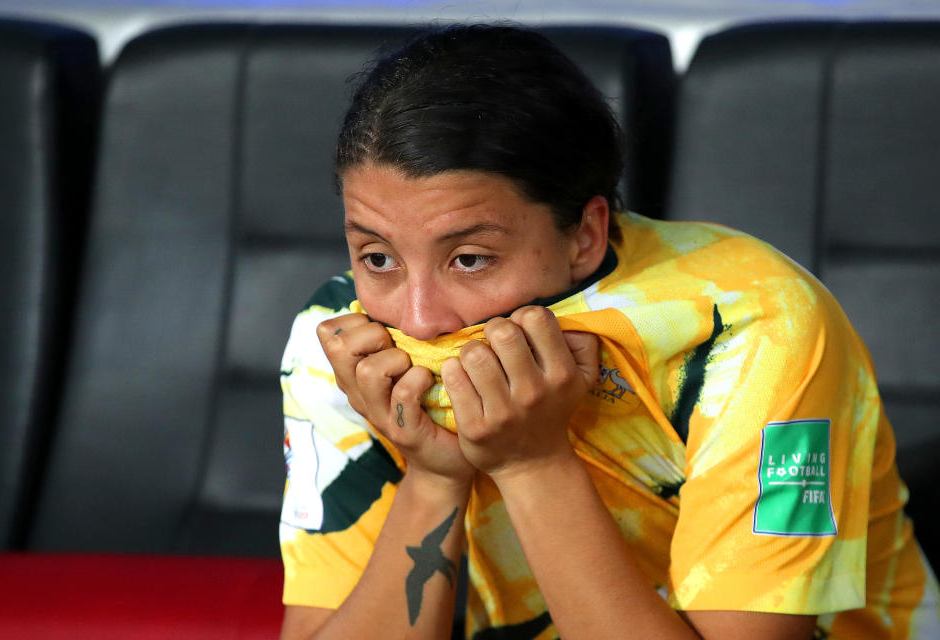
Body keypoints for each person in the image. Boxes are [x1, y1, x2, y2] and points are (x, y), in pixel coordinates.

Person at [277, 24, 939, 640]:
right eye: (378, 257)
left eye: (470, 259)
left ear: (586, 236)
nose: (418, 318)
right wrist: (433, 477)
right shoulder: (341, 340)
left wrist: (532, 462)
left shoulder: (760, 324)